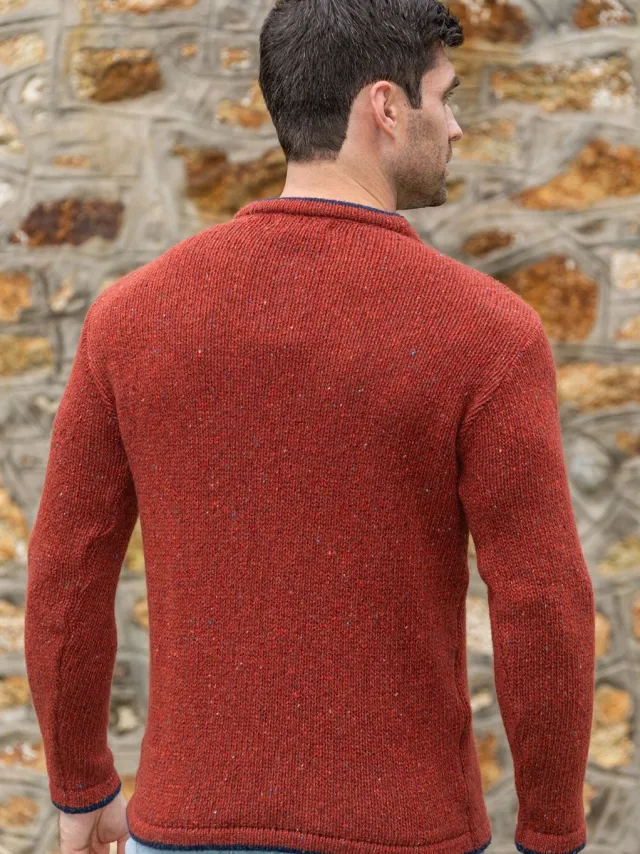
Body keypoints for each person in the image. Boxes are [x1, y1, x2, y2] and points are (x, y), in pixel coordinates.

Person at [24, 1, 596, 854]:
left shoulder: (131, 317)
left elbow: (66, 570)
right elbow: (543, 602)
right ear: (386, 106)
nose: (457, 126)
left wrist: (80, 786)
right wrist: (551, 832)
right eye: (445, 97)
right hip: (406, 831)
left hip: (186, 825)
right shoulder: (486, 332)